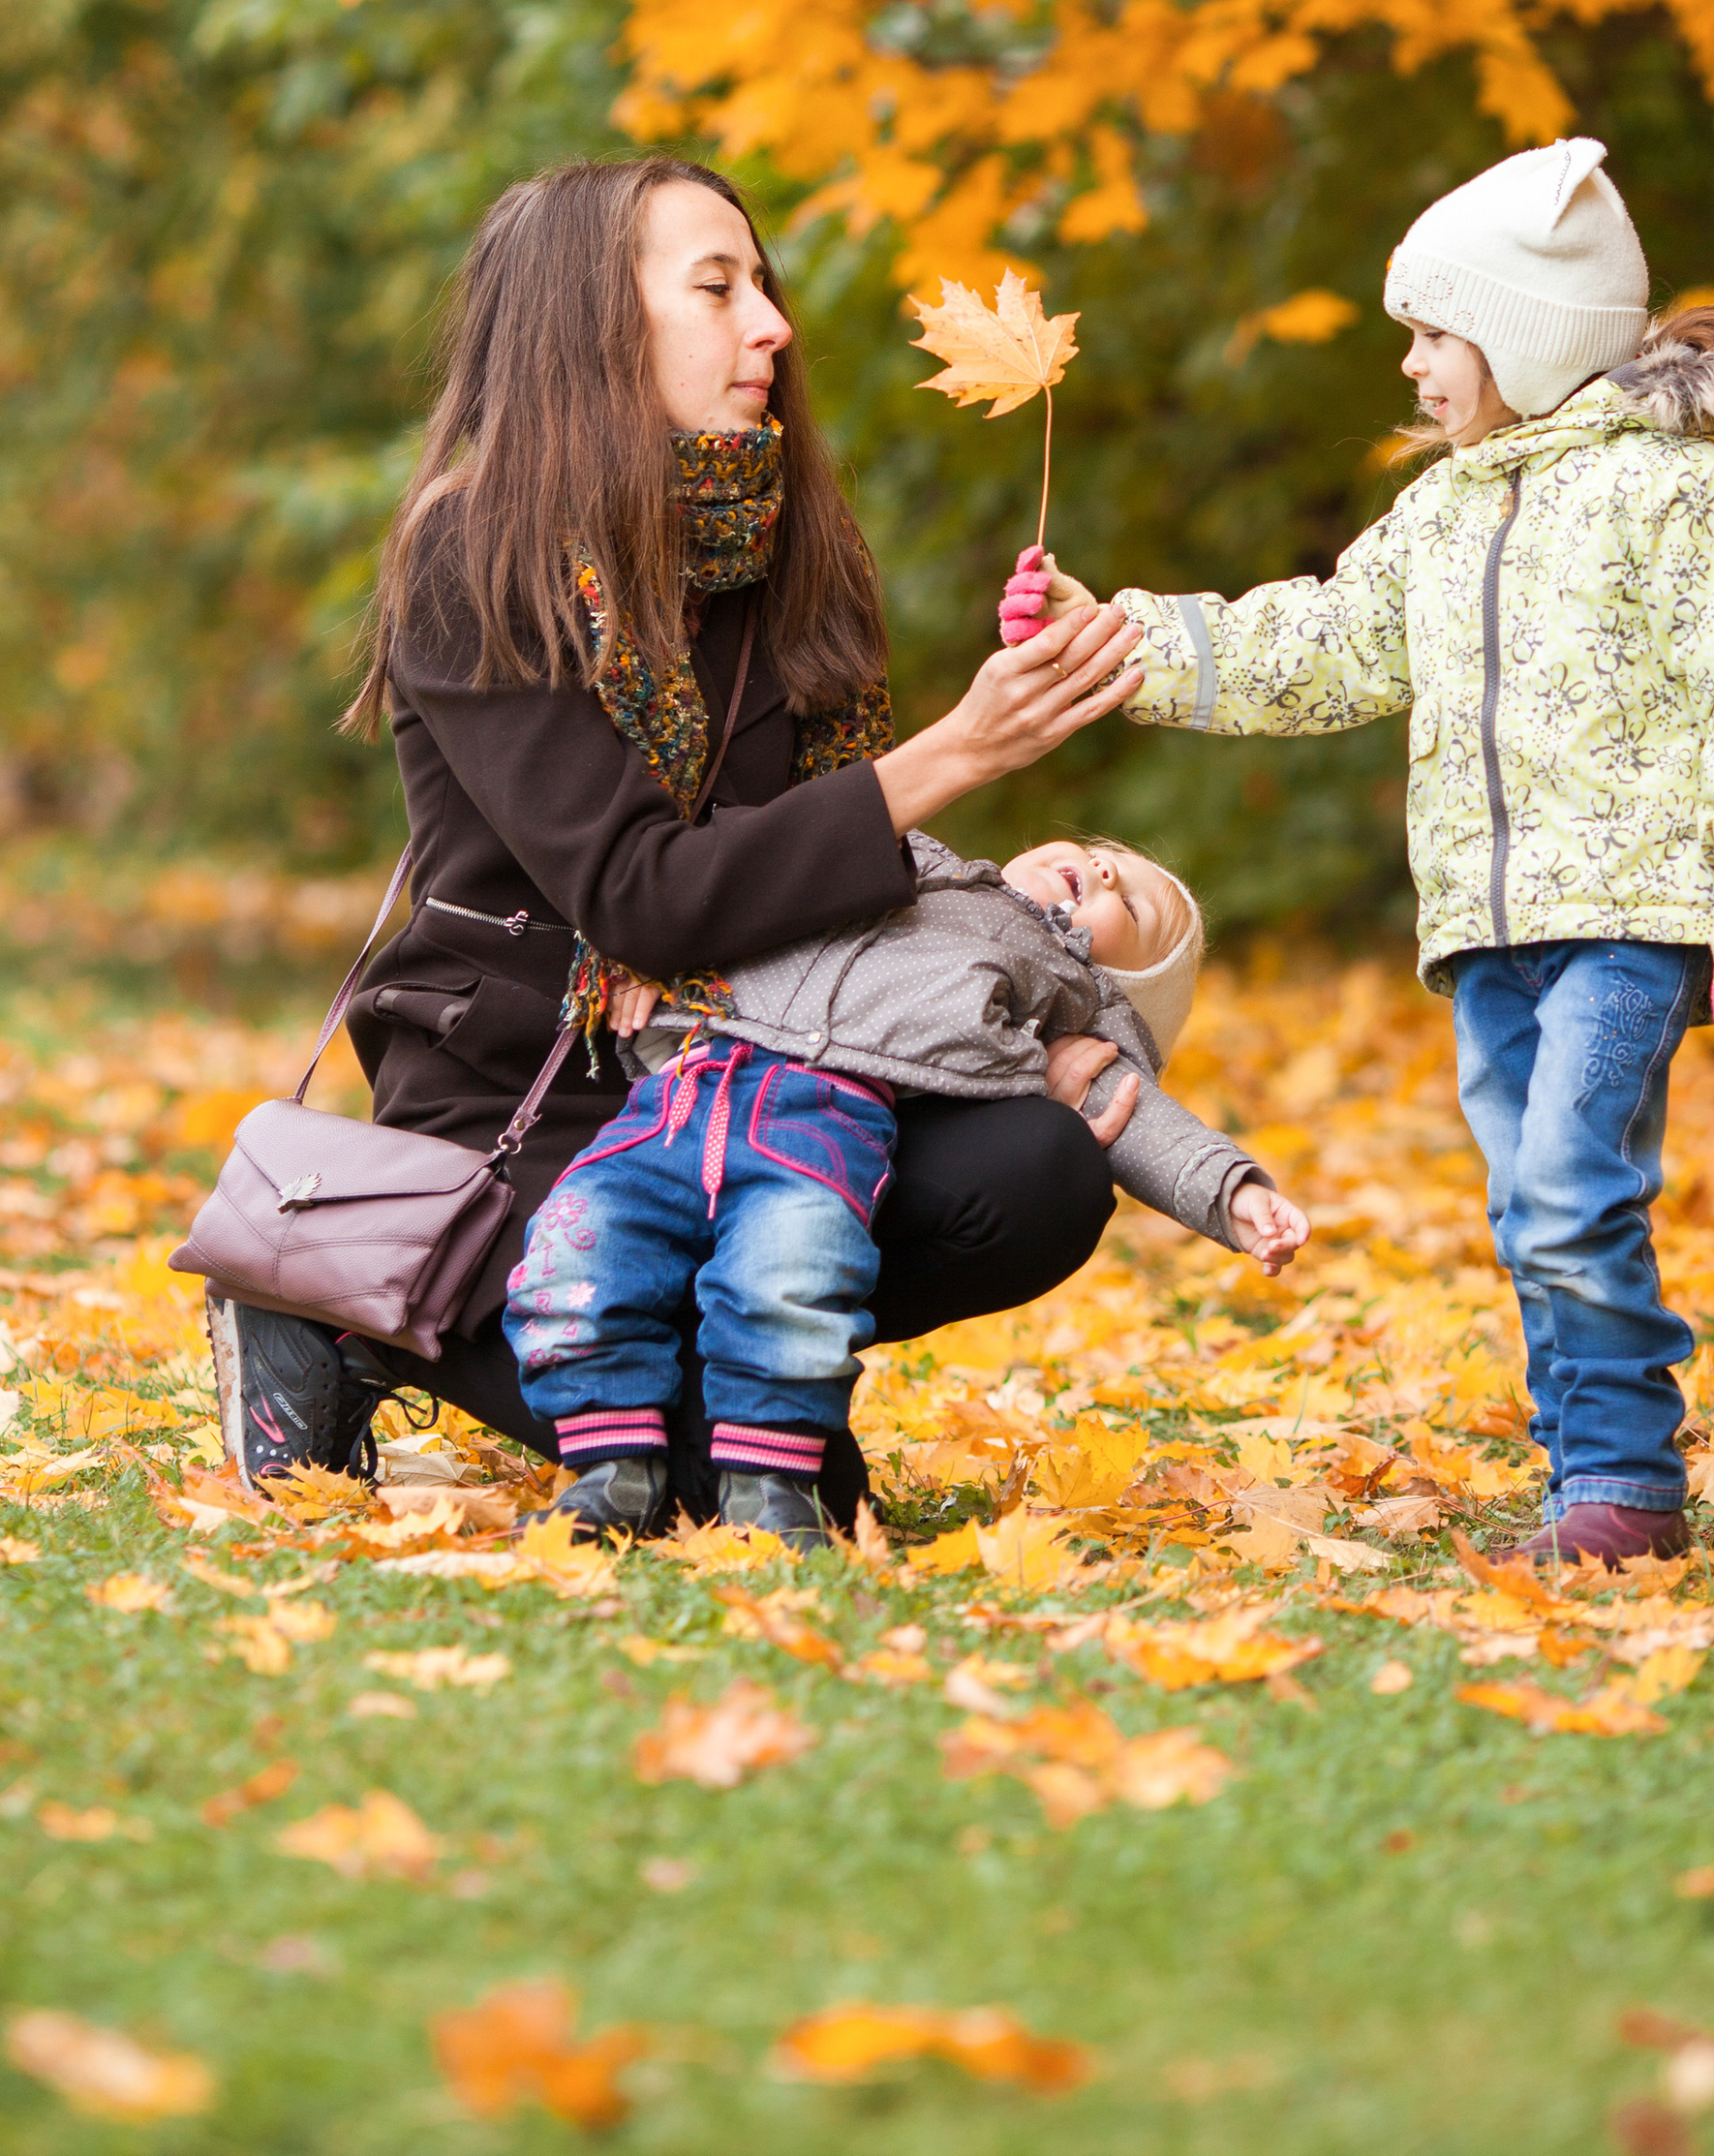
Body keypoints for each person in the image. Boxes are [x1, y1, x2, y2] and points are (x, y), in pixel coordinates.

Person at [204, 154, 1146, 1509]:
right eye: (717, 287)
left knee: (1040, 1170)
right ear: (591, 325)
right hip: (538, 1103)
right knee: (783, 1499)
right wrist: (959, 752)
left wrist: (1015, 1039)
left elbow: (839, 923)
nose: (772, 324)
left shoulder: (789, 552)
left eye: (762, 284)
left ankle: (739, 1324)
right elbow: (646, 896)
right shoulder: (481, 556)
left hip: (760, 1080)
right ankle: (340, 1312)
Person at [1001, 136, 1714, 1570]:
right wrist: (1119, 637)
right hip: (1486, 931)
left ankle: (1628, 1485)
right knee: (1533, 1207)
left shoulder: (1686, 500)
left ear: (1529, 334)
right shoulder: (1445, 515)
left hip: (1632, 919)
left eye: (1435, 332)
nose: (1410, 366)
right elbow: (1317, 644)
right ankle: (1585, 1480)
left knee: (1576, 1183)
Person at [507, 826, 1308, 1547]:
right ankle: (610, 1469)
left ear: (1115, 978)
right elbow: (761, 855)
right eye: (1107, 856)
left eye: (1125, 899)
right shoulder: (919, 859)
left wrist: (1233, 1193)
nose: (1102, 868)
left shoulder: (1065, 996)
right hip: (679, 1090)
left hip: (818, 1126)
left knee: (789, 1281)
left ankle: (766, 1487)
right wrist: (634, 937)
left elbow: (1135, 1113)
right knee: (576, 1247)